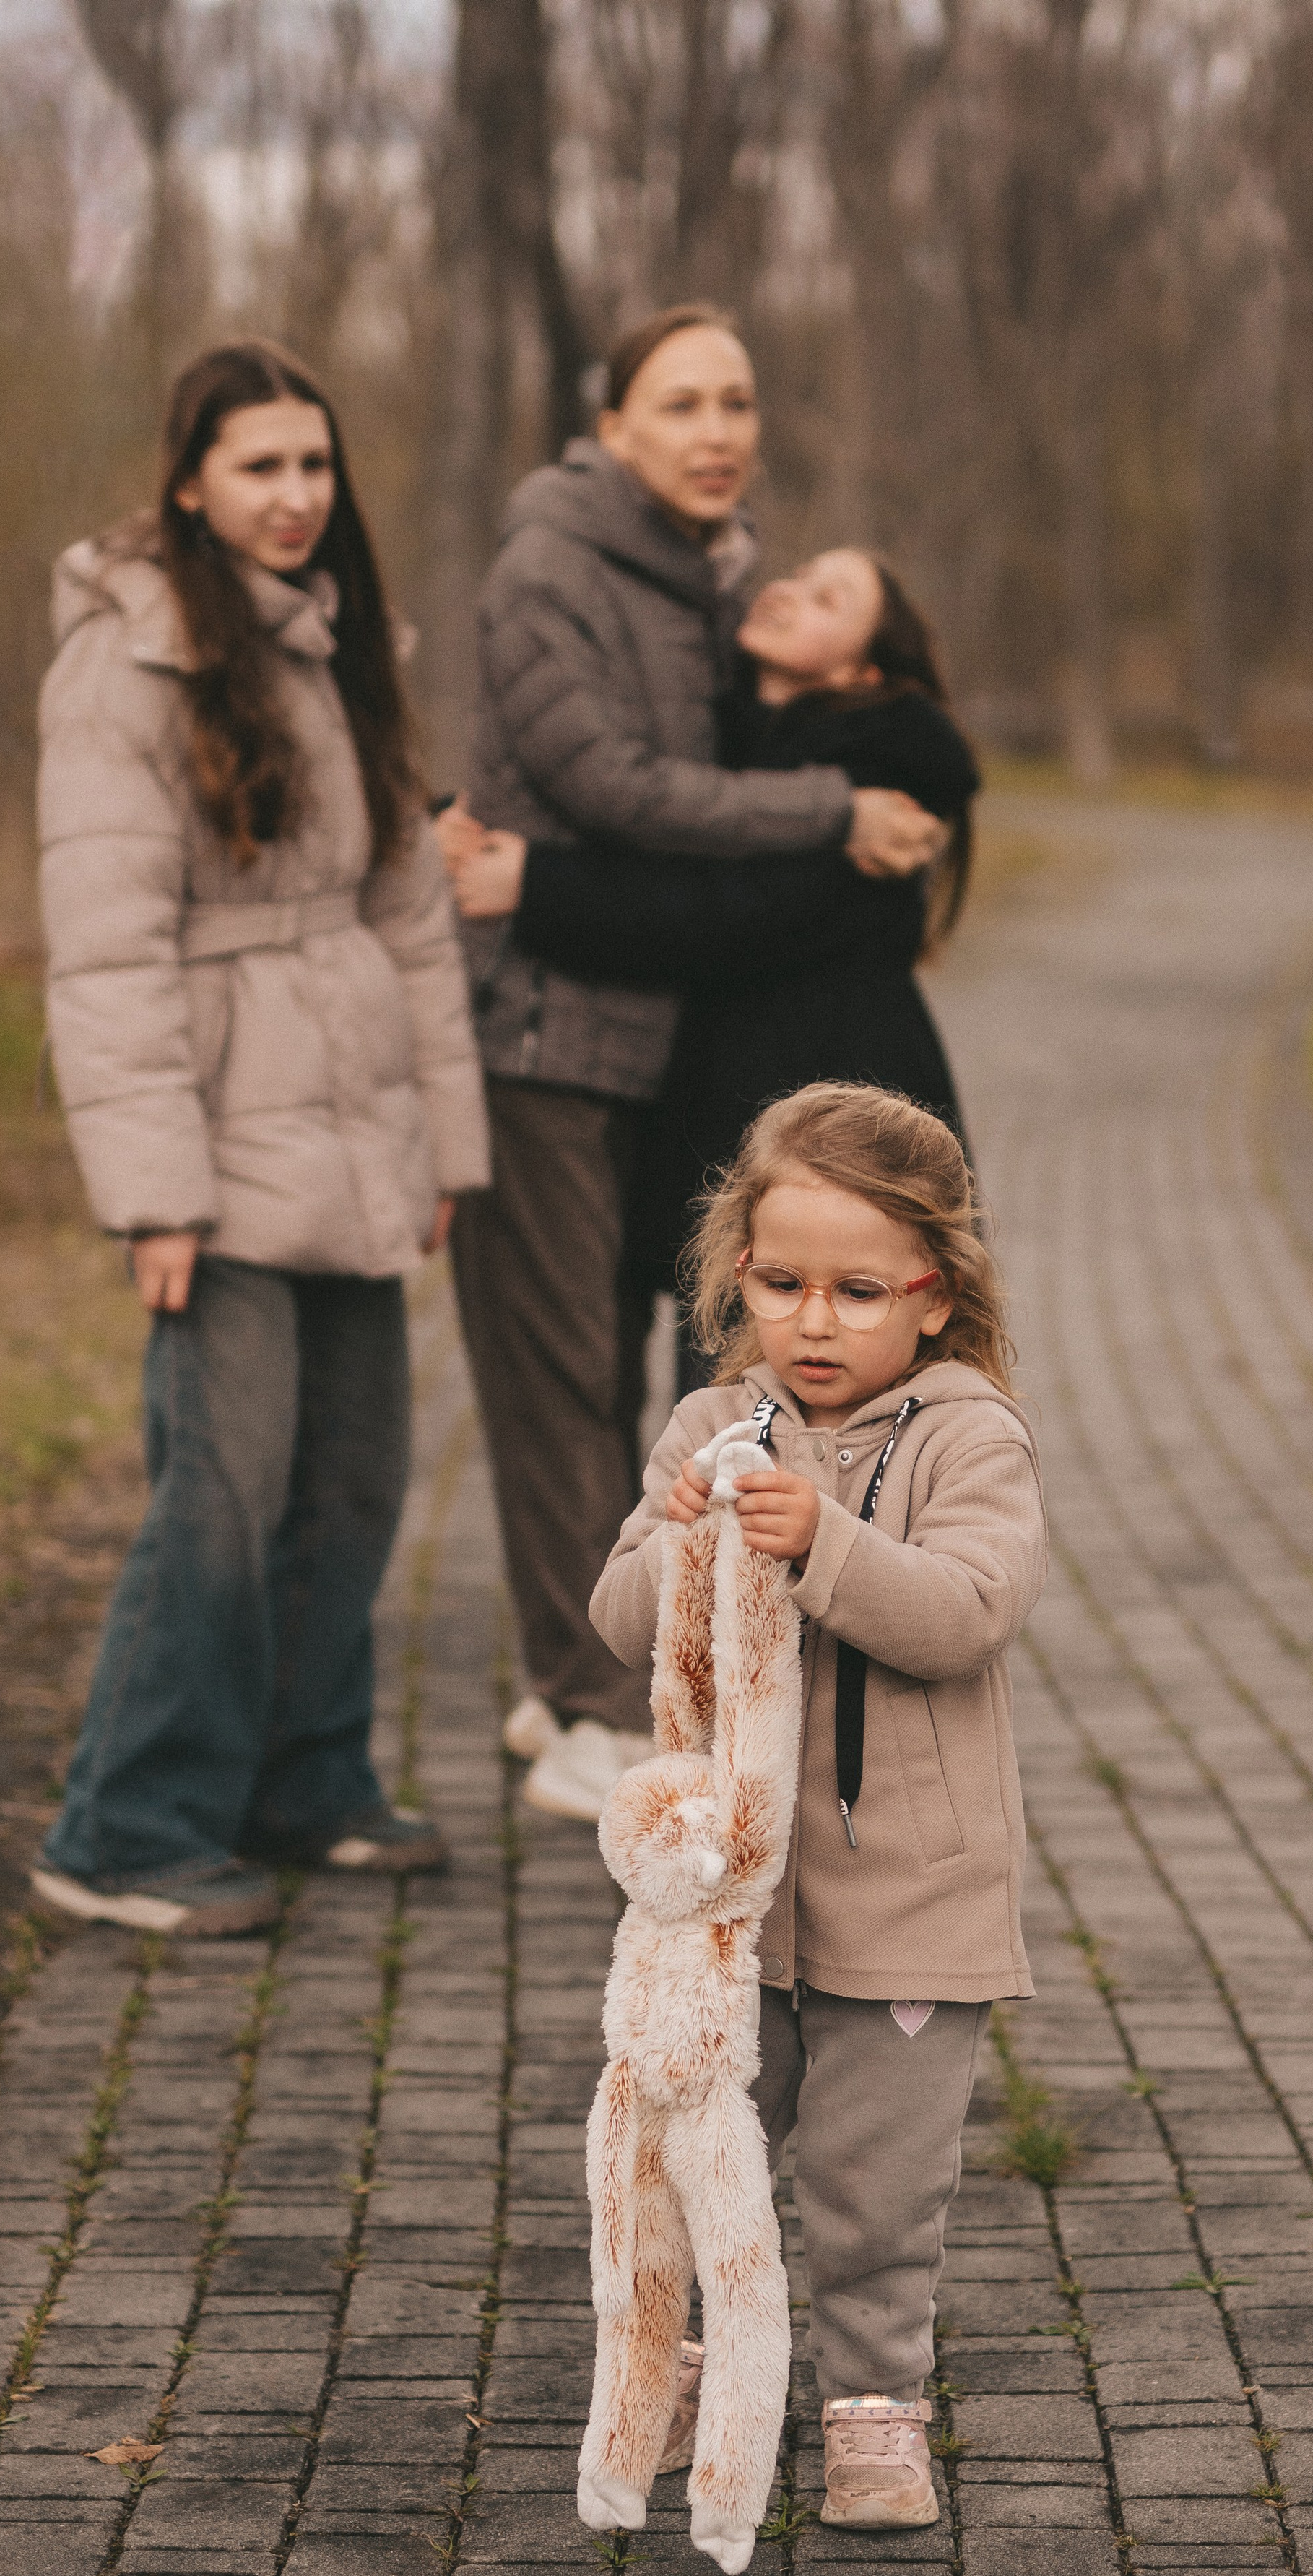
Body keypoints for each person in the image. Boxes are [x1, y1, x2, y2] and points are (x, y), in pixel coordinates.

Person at [450, 303, 942, 1828]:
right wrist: (831, 810)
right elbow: (616, 786)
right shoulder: (550, 571)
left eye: (736, 402)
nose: (718, 432)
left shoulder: (720, 574)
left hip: (662, 1032)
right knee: (560, 1378)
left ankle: (587, 1673)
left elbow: (742, 770)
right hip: (544, 1026)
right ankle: (582, 1696)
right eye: (680, 404)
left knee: (647, 1377)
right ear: (612, 430)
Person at [30, 340, 490, 1940]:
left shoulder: (347, 644)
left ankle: (303, 1782)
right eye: (259, 467)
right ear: (188, 485)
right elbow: (109, 956)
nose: (296, 496)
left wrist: (442, 1144)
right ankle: (125, 1828)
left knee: (353, 1474)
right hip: (216, 1141)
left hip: (358, 1122)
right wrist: (156, 1195)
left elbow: (408, 914)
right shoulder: (125, 665)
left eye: (314, 464)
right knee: (220, 1489)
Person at [589, 1081, 1045, 2528]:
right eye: (782, 1284)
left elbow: (966, 1613)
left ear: (934, 1294)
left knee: (872, 2184)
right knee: (690, 2154)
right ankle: (686, 2377)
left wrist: (824, 1546)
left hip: (907, 1899)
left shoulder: (969, 1436)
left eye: (859, 1291)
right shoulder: (711, 1423)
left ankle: (873, 2413)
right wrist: (674, 1544)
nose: (814, 1322)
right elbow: (618, 1622)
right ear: (739, 1276)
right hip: (733, 1906)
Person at [444, 545, 979, 1318]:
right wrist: (449, 819)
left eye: (827, 600)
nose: (788, 591)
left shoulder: (881, 779)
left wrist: (535, 886)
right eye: (798, 575)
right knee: (723, 1377)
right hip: (736, 1140)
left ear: (859, 675)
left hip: (841, 1142)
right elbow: (634, 814)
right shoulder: (723, 743)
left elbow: (725, 914)